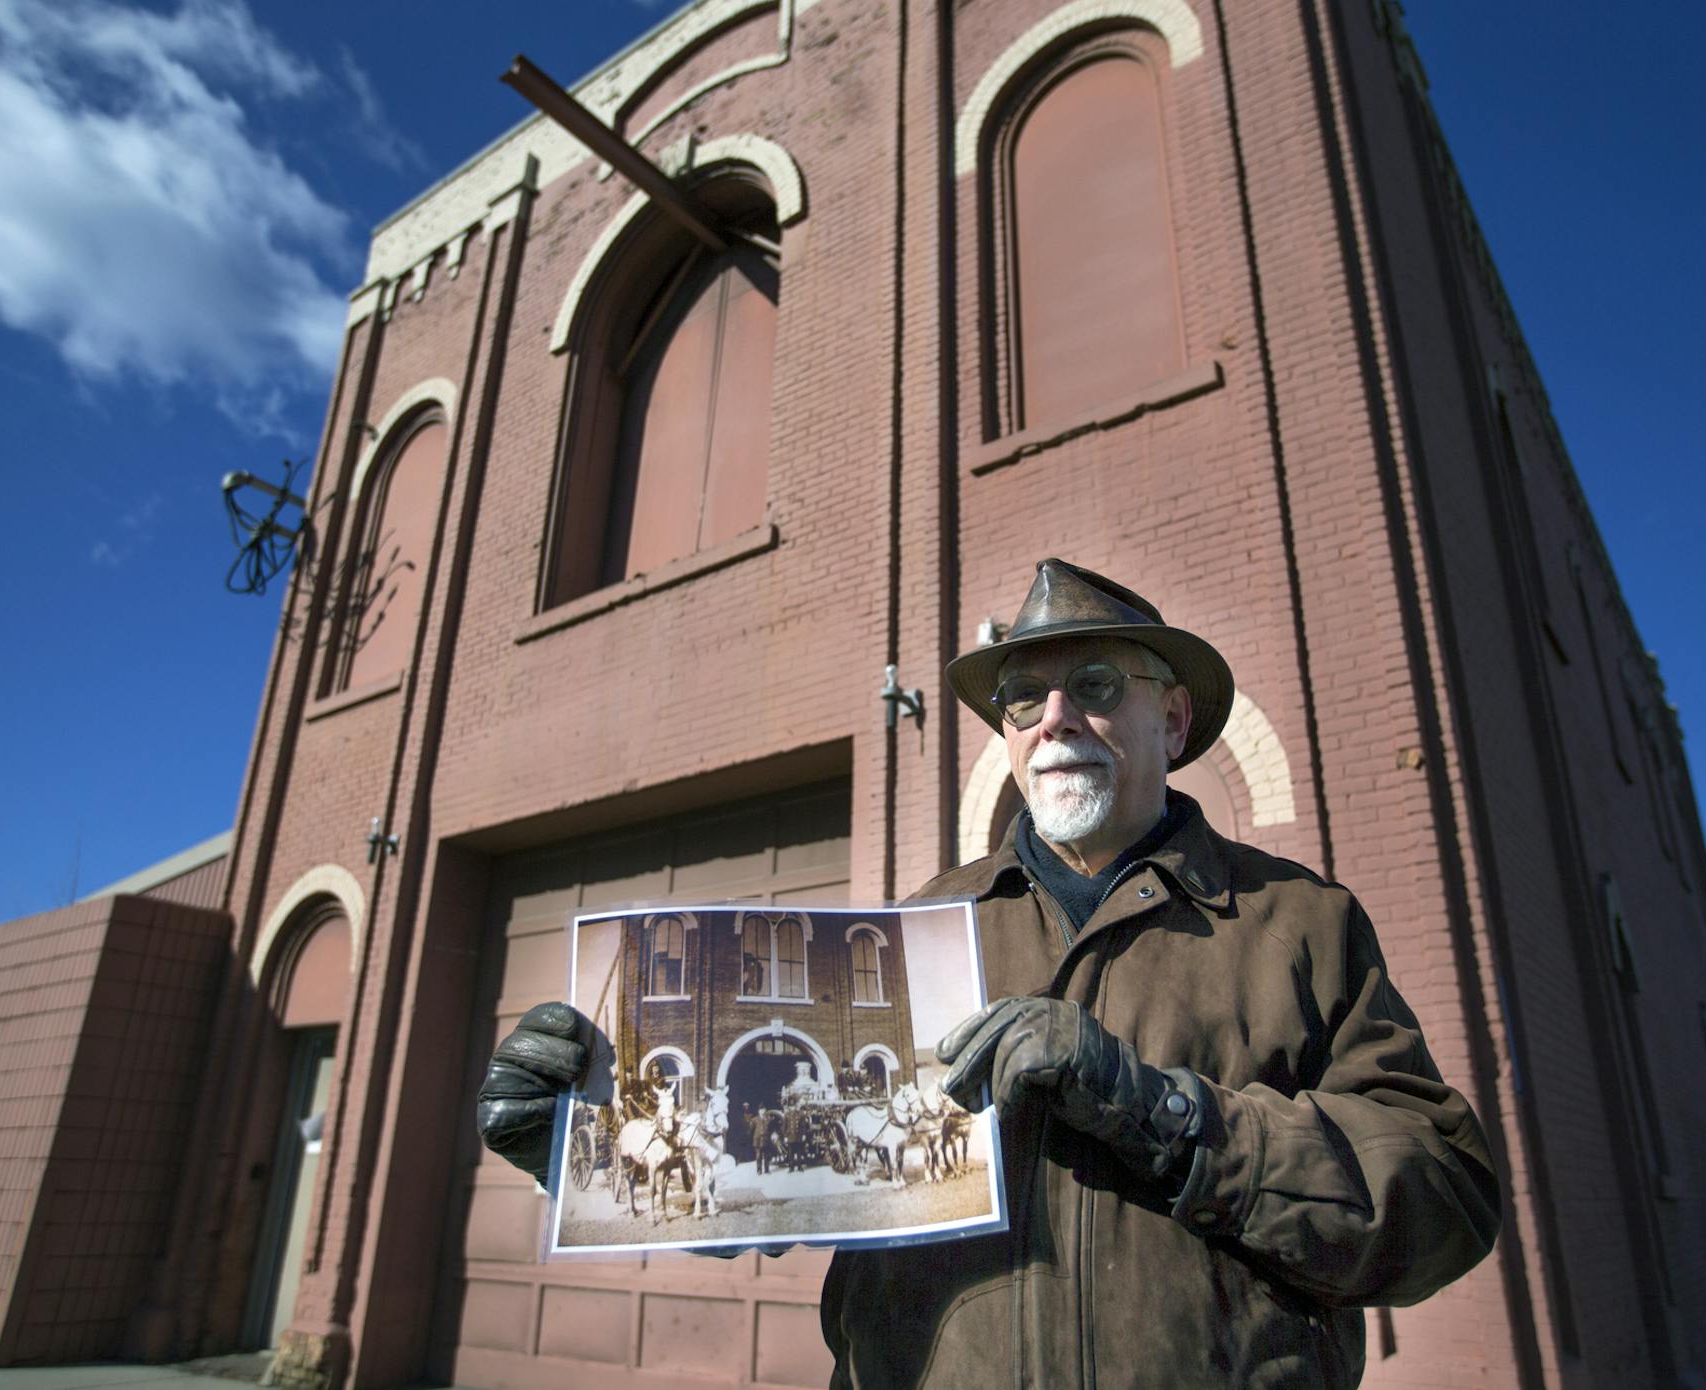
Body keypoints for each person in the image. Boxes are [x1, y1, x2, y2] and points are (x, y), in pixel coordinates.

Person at [478, 559, 1501, 1387]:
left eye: (1095, 686)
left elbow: (1444, 1198)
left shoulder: (1299, 922)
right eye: (1021, 700)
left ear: (1173, 720)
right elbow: (772, 1176)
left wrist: (1163, 1111)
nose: (1053, 718)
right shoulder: (913, 932)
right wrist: (586, 1146)